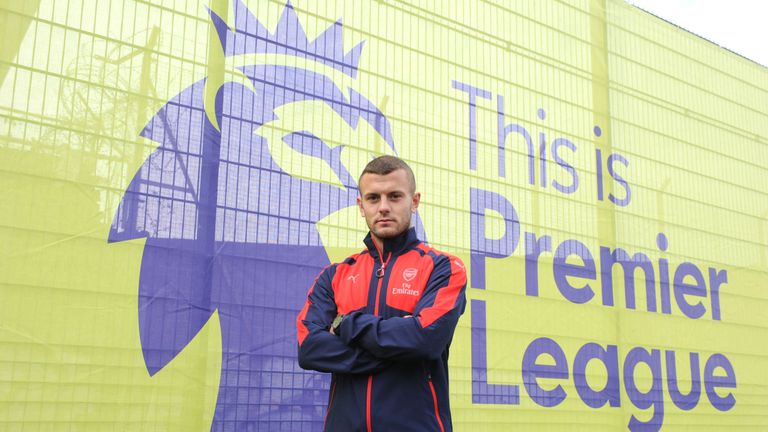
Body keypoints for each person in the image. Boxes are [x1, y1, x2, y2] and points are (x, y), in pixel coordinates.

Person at [297, 155, 467, 431]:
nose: (384, 207)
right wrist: (394, 354)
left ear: (414, 201)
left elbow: (425, 340)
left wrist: (345, 323)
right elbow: (309, 350)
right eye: (373, 198)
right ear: (361, 206)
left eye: (395, 196)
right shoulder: (334, 275)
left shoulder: (444, 268)